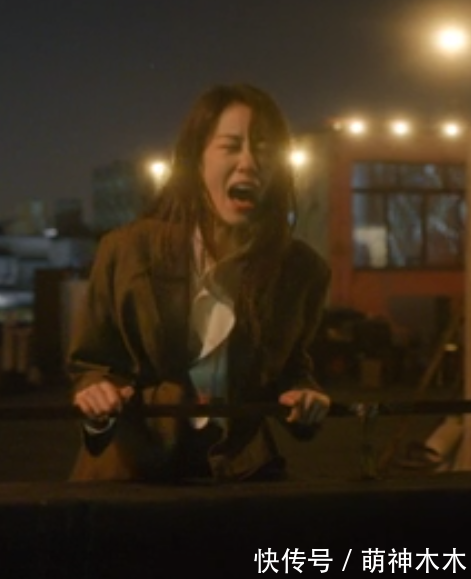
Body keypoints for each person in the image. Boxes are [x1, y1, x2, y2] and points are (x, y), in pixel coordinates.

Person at [68, 83, 331, 482]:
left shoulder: (302, 270)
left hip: (240, 475)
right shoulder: (127, 251)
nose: (249, 162)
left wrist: (305, 396)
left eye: (264, 147)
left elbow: (291, 365)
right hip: (132, 475)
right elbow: (91, 362)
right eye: (230, 146)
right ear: (196, 161)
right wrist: (97, 395)